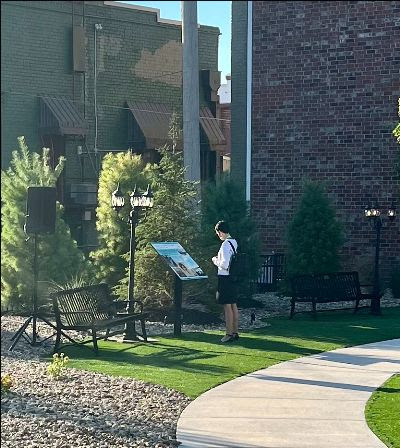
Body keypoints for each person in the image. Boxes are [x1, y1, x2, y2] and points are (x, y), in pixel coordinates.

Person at [212, 220, 239, 343]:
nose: (218, 236)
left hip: (225, 278)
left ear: (221, 232)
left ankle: (228, 333)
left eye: (218, 233)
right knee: (233, 304)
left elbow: (224, 264)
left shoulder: (225, 245)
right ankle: (235, 331)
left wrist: (215, 260)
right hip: (233, 277)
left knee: (227, 306)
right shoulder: (234, 242)